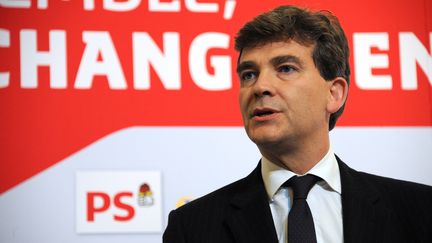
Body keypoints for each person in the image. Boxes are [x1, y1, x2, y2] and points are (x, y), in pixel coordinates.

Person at [163, 5, 432, 243]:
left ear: (334, 93)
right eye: (249, 74)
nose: (260, 86)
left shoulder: (420, 210)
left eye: (285, 68)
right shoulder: (191, 228)